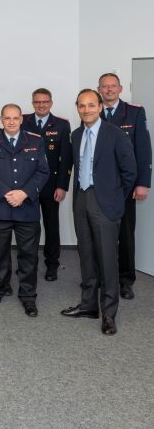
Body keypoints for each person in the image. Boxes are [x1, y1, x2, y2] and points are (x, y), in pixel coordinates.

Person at [61, 89, 137, 336]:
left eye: (91, 105)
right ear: (77, 108)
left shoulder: (115, 134)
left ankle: (109, 313)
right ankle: (88, 305)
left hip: (105, 203)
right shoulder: (75, 135)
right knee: (86, 256)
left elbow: (130, 172)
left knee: (107, 259)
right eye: (81, 106)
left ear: (100, 107)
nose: (86, 110)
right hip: (81, 200)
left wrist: (115, 200)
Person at [0, 104, 49, 317]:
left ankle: (28, 297)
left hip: (26, 207)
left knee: (28, 255)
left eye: (15, 118)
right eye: (7, 118)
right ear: (0, 119)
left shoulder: (35, 141)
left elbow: (43, 171)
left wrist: (24, 193)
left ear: (21, 119)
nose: (11, 122)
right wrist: (5, 192)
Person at [97, 73, 151, 300]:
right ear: (99, 89)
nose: (109, 90)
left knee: (126, 234)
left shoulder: (135, 112)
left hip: (126, 186)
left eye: (112, 86)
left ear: (120, 89)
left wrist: (142, 183)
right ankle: (102, 277)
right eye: (104, 87)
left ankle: (126, 280)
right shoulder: (92, 110)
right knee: (100, 234)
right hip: (100, 185)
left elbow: (143, 148)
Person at [22, 88, 72, 281]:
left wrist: (62, 186)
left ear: (51, 103)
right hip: (27, 186)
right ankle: (28, 264)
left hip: (51, 185)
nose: (41, 105)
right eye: (37, 102)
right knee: (28, 228)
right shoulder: (23, 121)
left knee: (52, 227)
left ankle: (52, 265)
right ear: (32, 103)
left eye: (45, 102)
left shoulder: (61, 124)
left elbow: (66, 159)